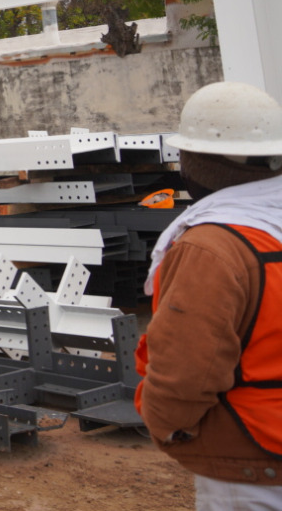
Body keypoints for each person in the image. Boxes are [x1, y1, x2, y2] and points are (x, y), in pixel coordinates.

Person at [137, 81, 282, 509]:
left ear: (201, 164)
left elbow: (187, 370)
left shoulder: (213, 247)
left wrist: (166, 425)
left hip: (252, 458)